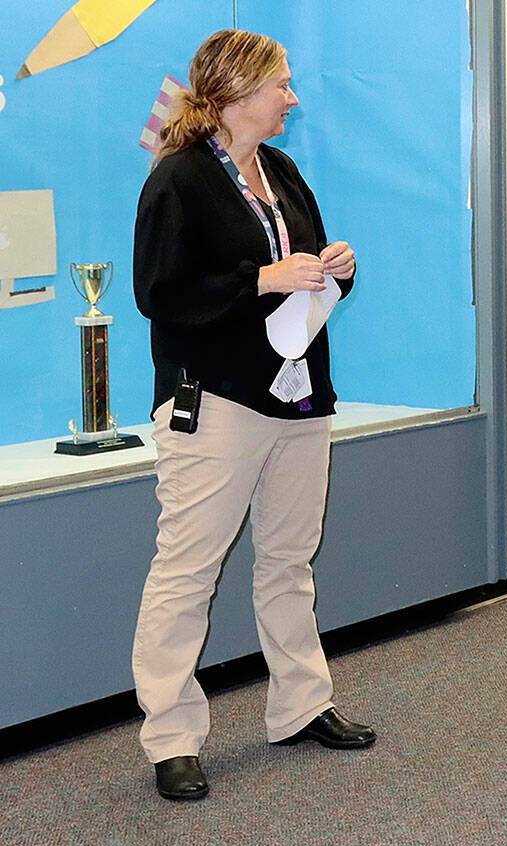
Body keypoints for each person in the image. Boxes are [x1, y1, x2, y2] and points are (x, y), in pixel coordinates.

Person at [132, 29, 373, 802]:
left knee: (288, 561)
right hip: (216, 401)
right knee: (188, 571)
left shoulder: (284, 171)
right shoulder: (178, 179)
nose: (291, 99)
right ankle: (171, 736)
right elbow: (161, 295)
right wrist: (263, 276)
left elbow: (300, 281)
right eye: (282, 86)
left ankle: (301, 706)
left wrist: (334, 269)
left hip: (296, 396)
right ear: (238, 92)